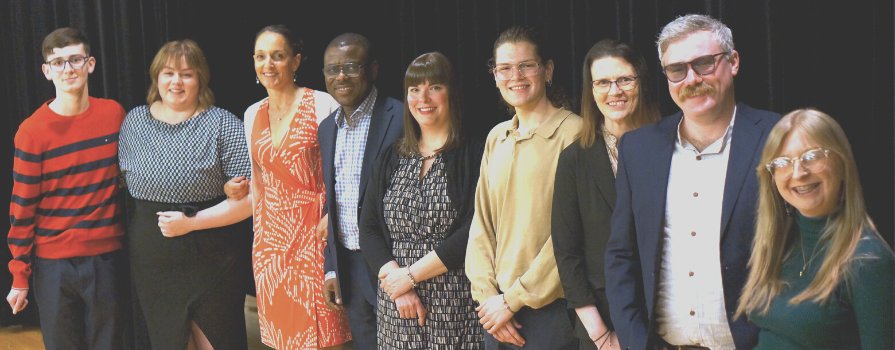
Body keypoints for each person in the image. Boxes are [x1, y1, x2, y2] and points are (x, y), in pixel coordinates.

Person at [603, 14, 780, 350]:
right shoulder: (638, 149)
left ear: (733, 61)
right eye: (677, 70)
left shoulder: (778, 137)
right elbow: (620, 255)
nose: (692, 79)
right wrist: (636, 341)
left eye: (704, 63)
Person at [118, 39, 252, 350]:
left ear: (200, 79)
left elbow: (249, 199)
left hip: (213, 253)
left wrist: (192, 222)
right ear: (156, 77)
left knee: (216, 341)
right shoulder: (134, 121)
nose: (176, 81)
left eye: (187, 74)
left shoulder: (223, 123)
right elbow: (125, 181)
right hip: (154, 258)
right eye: (168, 73)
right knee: (170, 341)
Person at [6, 27, 126, 350]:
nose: (68, 69)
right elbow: (22, 209)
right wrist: (20, 276)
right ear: (46, 71)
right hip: (54, 265)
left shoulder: (114, 115)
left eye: (75, 59)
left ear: (91, 64)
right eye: (58, 62)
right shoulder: (31, 133)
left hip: (106, 258)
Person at [233, 24, 353, 349]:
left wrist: (334, 218)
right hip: (271, 246)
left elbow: (344, 171)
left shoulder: (322, 104)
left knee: (326, 337)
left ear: (296, 61)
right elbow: (259, 183)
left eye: (278, 56)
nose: (268, 64)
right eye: (261, 56)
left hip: (316, 236)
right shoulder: (251, 114)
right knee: (283, 340)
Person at [735, 108, 894, 349]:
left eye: (811, 157)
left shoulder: (867, 259)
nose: (798, 173)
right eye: (783, 162)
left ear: (842, 162)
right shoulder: (781, 243)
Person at [465, 25, 581, 349]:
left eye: (526, 65)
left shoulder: (575, 133)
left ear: (548, 70)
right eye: (504, 68)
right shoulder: (496, 137)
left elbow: (572, 233)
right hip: (496, 312)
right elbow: (481, 226)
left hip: (551, 313)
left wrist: (512, 300)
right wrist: (488, 296)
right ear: (494, 74)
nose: (515, 75)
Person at [359, 52, 484, 349]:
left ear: (451, 92)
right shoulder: (391, 156)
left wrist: (411, 277)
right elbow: (369, 227)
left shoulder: (474, 155)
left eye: (435, 87)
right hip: (397, 306)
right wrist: (398, 284)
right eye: (414, 89)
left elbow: (474, 229)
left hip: (455, 304)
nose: (423, 98)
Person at [551, 38, 660, 350]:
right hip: (603, 323)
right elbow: (567, 254)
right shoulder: (575, 159)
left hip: (666, 315)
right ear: (591, 89)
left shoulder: (670, 145)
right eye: (602, 82)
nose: (615, 91)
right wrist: (600, 335)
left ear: (641, 82)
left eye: (624, 79)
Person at [319, 32, 404, 349]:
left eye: (351, 66)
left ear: (373, 70)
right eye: (332, 69)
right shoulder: (327, 128)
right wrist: (331, 267)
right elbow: (334, 202)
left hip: (393, 262)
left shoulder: (402, 118)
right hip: (349, 267)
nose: (340, 76)